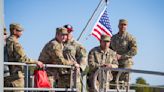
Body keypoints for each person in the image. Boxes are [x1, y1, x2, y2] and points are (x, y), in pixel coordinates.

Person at [5, 23, 43, 92]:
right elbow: (23, 59)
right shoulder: (15, 43)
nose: (21, 33)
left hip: (8, 75)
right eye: (19, 30)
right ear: (14, 31)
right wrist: (36, 62)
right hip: (16, 77)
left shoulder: (7, 40)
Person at [110, 19, 137, 88]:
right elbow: (109, 50)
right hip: (114, 64)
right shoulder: (113, 38)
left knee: (123, 85)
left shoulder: (130, 38)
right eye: (121, 24)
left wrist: (121, 56)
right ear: (118, 26)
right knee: (112, 84)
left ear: (127, 26)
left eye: (125, 25)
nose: (123, 26)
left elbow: (134, 51)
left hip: (126, 64)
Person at [63, 24, 87, 92]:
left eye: (69, 32)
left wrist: (80, 67)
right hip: (61, 76)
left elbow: (83, 56)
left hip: (74, 75)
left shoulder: (77, 44)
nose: (68, 34)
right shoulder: (58, 44)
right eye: (66, 32)